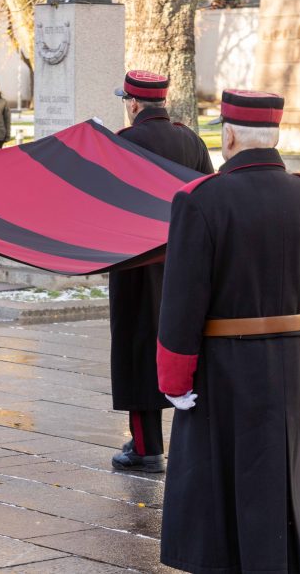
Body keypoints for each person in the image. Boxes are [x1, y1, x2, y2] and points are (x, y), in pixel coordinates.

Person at [156, 89, 300, 573]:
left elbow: (182, 300)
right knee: (282, 469)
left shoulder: (200, 200)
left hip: (224, 362)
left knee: (216, 475)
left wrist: (174, 378)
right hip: (294, 358)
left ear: (230, 135)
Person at [108, 70, 214, 473]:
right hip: (184, 259)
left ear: (133, 104)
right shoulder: (192, 139)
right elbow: (209, 191)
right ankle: (192, 439)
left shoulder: (124, 142)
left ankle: (146, 444)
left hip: (136, 262)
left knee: (138, 347)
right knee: (185, 342)